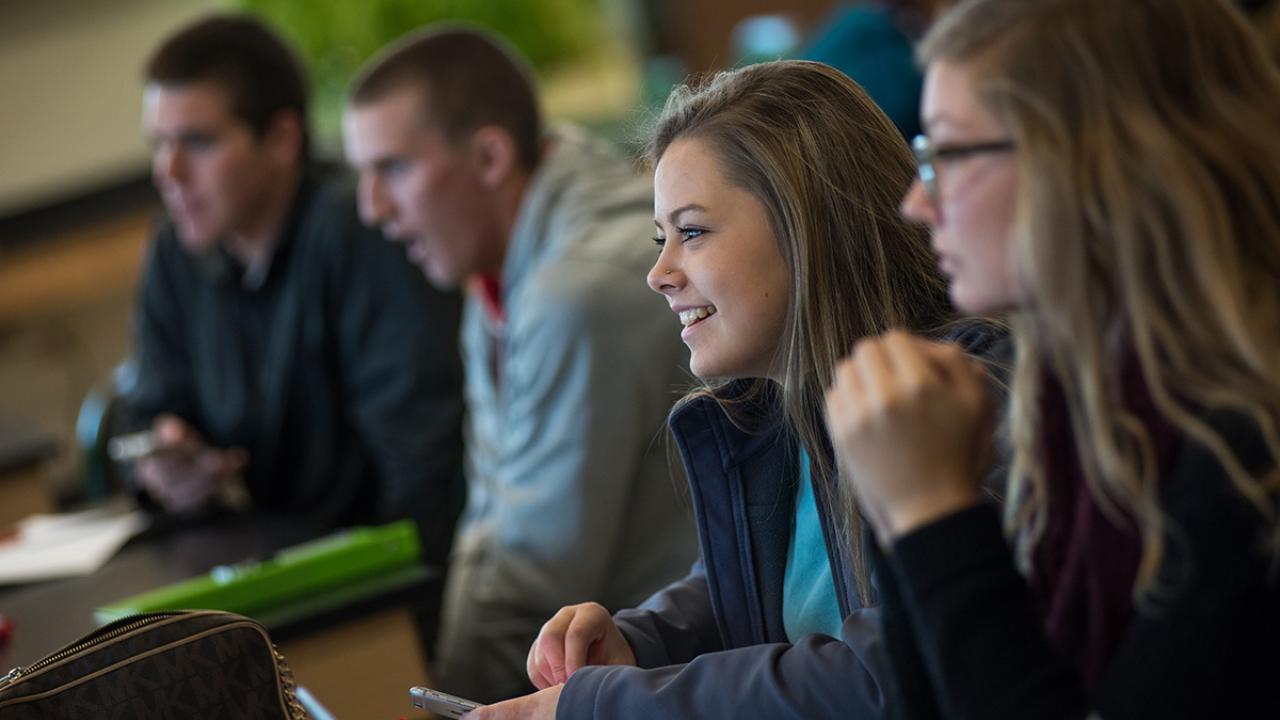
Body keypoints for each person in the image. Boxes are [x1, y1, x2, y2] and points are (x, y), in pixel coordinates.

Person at [473, 60, 1001, 719]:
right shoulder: (776, 415)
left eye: (691, 232)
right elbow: (761, 593)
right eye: (660, 239)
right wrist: (641, 643)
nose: (658, 274)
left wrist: (604, 704)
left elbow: (887, 673)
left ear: (808, 223)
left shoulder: (971, 393)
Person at [826, 0, 1280, 717]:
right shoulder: (1079, 407)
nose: (916, 201)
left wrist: (932, 515)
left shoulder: (1246, 451)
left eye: (945, 152)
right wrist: (900, 514)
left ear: (1089, 160)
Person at [342, 26, 698, 702]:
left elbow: (529, 578)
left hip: (673, 674)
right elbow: (493, 529)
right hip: (617, 663)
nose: (372, 209)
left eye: (392, 169)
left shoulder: (580, 291)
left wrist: (433, 702)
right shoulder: (502, 271)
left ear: (489, 156)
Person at [123, 15, 465, 568]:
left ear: (282, 139)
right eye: (159, 144)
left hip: (374, 579)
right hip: (245, 566)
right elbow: (142, 414)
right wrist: (160, 465)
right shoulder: (173, 250)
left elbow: (422, 465)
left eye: (198, 142)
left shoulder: (360, 232)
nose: (170, 171)